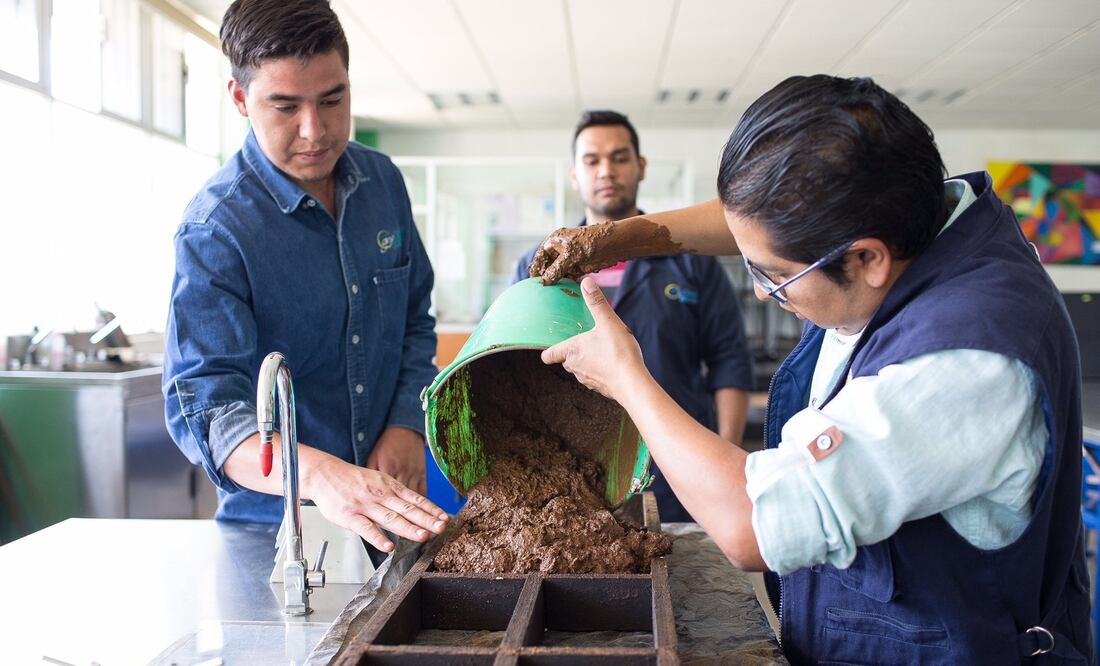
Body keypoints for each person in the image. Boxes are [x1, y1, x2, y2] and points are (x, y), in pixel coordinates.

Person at [531, 75, 1091, 663]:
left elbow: (751, 526)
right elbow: (761, 220)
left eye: (775, 275)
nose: (762, 293)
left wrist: (626, 378)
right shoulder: (909, 210)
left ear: (867, 259)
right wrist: (615, 237)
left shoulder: (962, 368)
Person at [163, 0, 447, 554]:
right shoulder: (215, 231)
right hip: (276, 534)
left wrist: (407, 423)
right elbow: (210, 411)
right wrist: (317, 475)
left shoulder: (383, 182)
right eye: (285, 106)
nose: (315, 130)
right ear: (241, 99)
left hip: (391, 512)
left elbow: (415, 318)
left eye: (332, 100)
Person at [512, 110, 754, 522]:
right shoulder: (538, 267)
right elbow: (513, 366)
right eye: (592, 160)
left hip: (678, 465)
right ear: (575, 174)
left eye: (620, 157)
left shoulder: (691, 260)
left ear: (640, 167)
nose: (606, 170)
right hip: (574, 471)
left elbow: (729, 361)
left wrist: (721, 459)